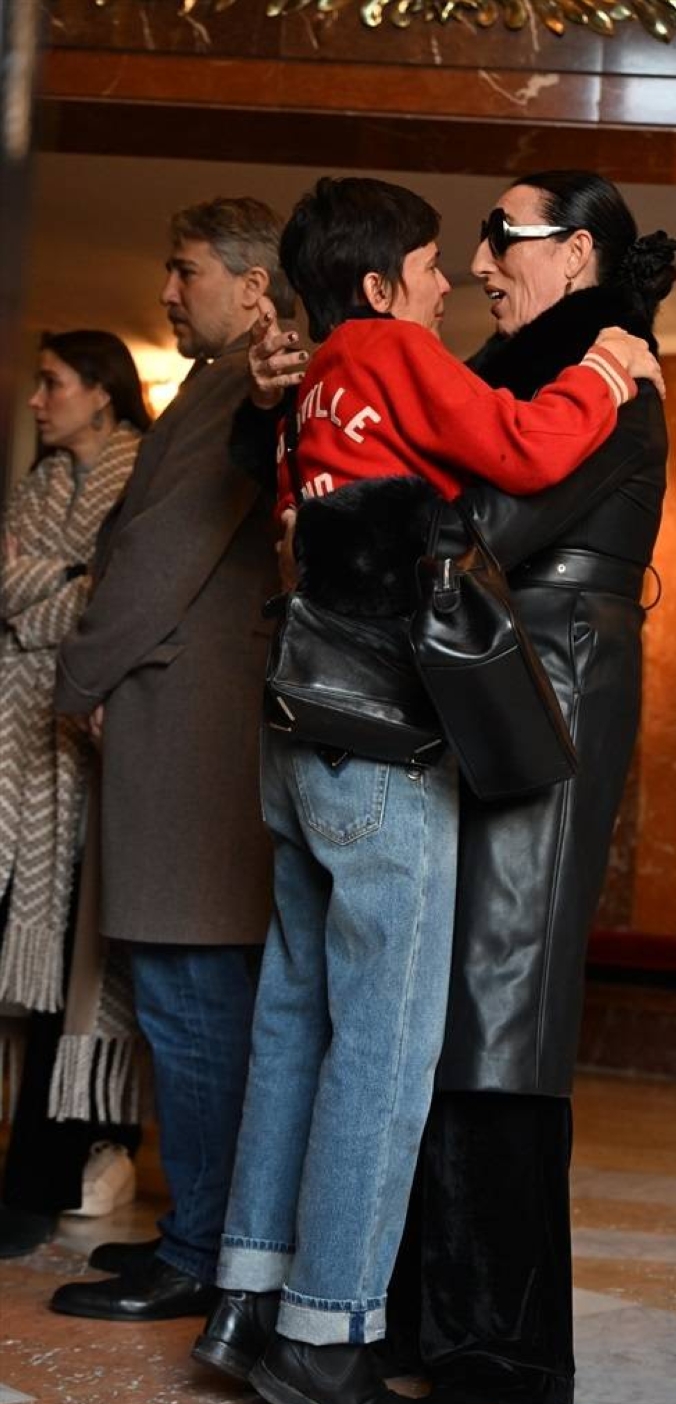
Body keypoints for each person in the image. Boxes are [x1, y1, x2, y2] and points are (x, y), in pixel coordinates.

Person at [190, 176, 663, 1404]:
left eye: (492, 244)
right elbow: (512, 462)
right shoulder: (395, 351)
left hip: (296, 731)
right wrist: (609, 376)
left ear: (574, 253)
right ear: (381, 282)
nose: (458, 275)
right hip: (385, 739)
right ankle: (326, 1327)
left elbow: (355, 512)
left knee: (294, 1023)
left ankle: (244, 1294)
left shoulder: (318, 382)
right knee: (387, 1052)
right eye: (438, 257)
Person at [384, 171, 676, 1404]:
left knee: (506, 1011)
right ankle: (438, 1327)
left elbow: (488, 518)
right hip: (503, 684)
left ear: (581, 255)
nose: (486, 260)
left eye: (506, 237)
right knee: (456, 1011)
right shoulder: (534, 377)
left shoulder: (611, 377)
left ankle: (516, 1367)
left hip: (549, 693)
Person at [47, 197, 295, 1322]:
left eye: (182, 269)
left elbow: (156, 556)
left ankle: (204, 1250)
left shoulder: (249, 379)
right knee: (184, 1002)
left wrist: (79, 676)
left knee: (199, 1005)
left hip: (194, 732)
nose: (164, 290)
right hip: (182, 725)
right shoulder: (213, 383)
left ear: (252, 288)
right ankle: (192, 1229)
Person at [0, 330, 150, 1259]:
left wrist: (38, 587)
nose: (34, 399)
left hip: (98, 748)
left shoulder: (141, 480)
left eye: (51, 383)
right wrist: (66, 582)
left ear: (101, 393)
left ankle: (56, 1166)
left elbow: (113, 601)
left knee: (80, 968)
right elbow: (41, 587)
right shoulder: (38, 486)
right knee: (25, 958)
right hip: (19, 756)